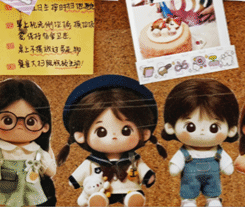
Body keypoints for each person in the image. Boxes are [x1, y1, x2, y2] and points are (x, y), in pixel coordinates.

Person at [57, 75, 167, 207]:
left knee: (133, 196)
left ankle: (132, 199)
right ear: (80, 136)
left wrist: (148, 177)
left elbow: (142, 169)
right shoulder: (92, 162)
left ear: (144, 134)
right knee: (98, 197)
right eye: (101, 132)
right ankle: (99, 200)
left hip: (129, 189)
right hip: (102, 190)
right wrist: (74, 180)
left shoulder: (133, 160)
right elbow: (79, 174)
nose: (114, 137)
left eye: (126, 130)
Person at [0, 79, 56, 207]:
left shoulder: (37, 152)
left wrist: (49, 160)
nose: (20, 126)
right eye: (8, 120)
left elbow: (50, 171)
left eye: (30, 121)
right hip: (2, 190)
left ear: (45, 126)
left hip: (29, 193)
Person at [162, 78, 239, 207]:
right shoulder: (185, 152)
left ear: (231, 130)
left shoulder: (218, 152)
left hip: (212, 180)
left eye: (214, 127)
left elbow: (226, 165)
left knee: (213, 189)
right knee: (189, 190)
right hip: (190, 181)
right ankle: (188, 202)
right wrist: (175, 166)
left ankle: (213, 200)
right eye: (190, 127)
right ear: (170, 127)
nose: (202, 133)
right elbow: (177, 164)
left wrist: (227, 166)